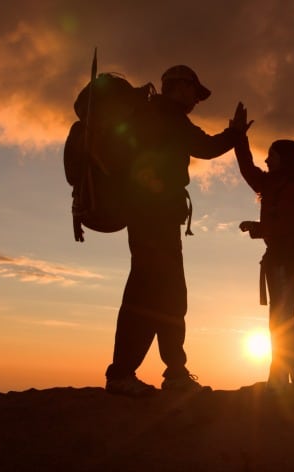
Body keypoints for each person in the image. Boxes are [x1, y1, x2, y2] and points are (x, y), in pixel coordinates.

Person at [104, 65, 250, 396]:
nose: (196, 100)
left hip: (150, 217)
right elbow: (205, 147)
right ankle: (130, 374)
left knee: (162, 294)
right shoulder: (166, 115)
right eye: (194, 92)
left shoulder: (150, 115)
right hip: (155, 217)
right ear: (178, 86)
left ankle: (173, 371)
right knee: (152, 295)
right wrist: (236, 133)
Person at [236, 135, 294, 391]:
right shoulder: (275, 184)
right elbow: (249, 171)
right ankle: (282, 376)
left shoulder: (292, 188)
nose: (266, 159)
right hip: (279, 261)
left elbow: (284, 227)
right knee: (280, 319)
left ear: (285, 159)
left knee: (281, 320)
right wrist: (239, 138)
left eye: (271, 155)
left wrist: (257, 228)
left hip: (285, 261)